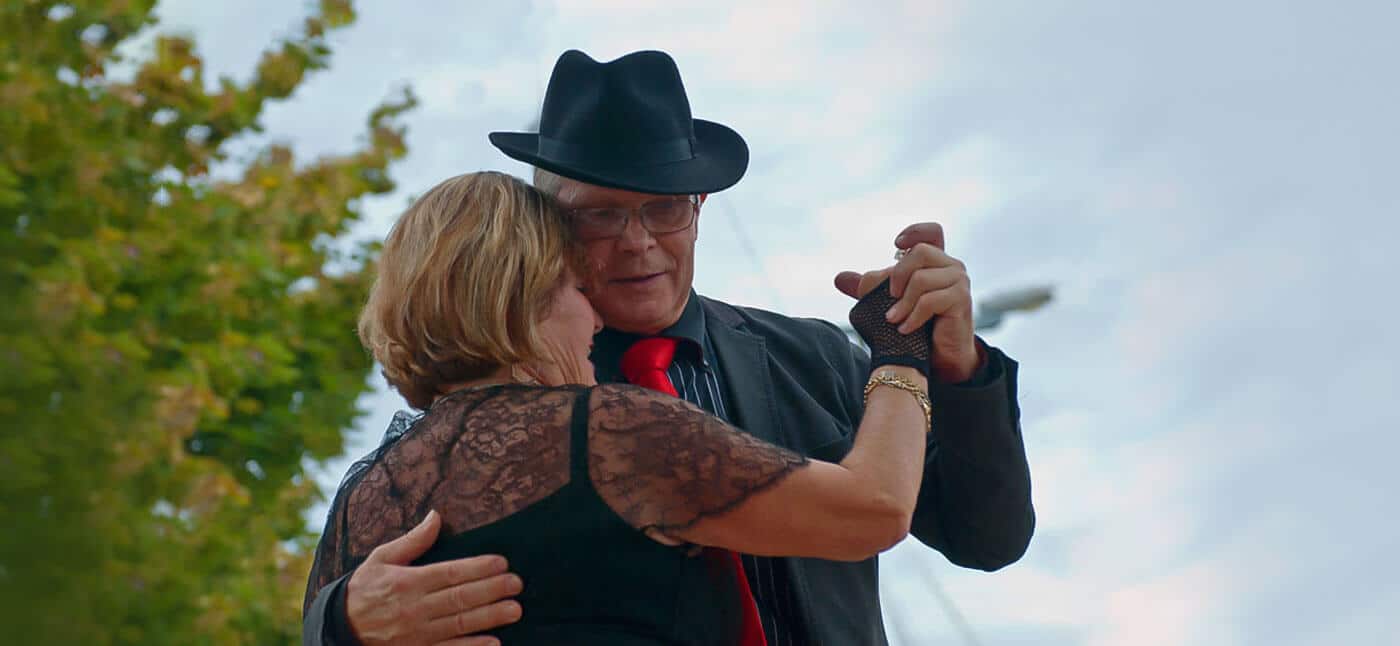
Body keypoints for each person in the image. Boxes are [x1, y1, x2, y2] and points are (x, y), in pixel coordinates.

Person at [303, 50, 1034, 645]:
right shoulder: (522, 415)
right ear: (543, 228)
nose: (638, 242)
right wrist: (344, 621)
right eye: (600, 216)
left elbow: (987, 538)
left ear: (698, 208)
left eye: (663, 208)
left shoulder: (809, 357)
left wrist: (956, 364)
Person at [304, 169, 941, 645]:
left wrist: (336, 623)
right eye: (575, 288)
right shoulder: (607, 434)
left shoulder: (368, 493)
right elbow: (875, 510)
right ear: (520, 301)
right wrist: (900, 349)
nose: (594, 317)